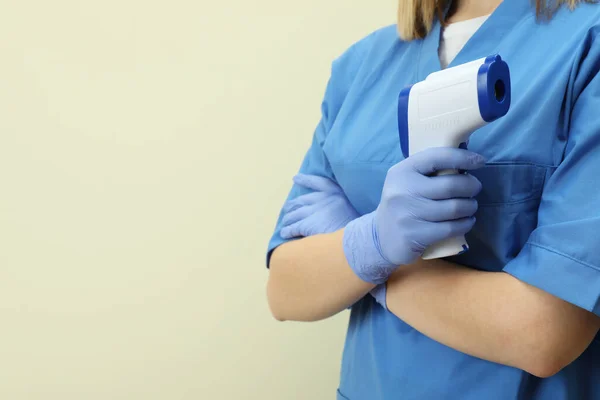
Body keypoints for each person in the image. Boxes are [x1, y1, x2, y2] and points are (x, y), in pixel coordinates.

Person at [265, 0, 600, 398]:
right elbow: (285, 290)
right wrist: (369, 240)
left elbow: (545, 333)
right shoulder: (359, 67)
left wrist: (363, 256)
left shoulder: (586, 43)